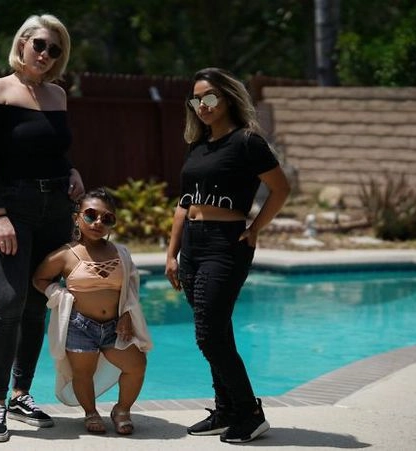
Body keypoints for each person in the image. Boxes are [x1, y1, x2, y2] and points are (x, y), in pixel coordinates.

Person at [0, 13, 85, 442]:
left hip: (55, 208)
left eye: (55, 49)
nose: (45, 54)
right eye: (40, 44)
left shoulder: (57, 95)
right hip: (11, 207)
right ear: (22, 43)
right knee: (8, 301)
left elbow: (52, 150)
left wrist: (71, 170)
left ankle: (21, 394)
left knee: (38, 301)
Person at [164, 67, 290, 444]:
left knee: (208, 335)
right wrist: (171, 254)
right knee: (216, 330)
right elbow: (184, 204)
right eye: (196, 99)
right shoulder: (198, 145)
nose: (202, 105)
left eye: (209, 97)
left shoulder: (247, 142)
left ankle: (249, 412)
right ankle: (226, 410)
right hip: (193, 244)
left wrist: (255, 228)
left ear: (228, 98)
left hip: (225, 244)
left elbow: (280, 189)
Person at [32, 188, 152, 435]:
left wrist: (127, 314)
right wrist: (59, 294)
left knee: (137, 365)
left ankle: (122, 410)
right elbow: (39, 278)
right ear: (77, 217)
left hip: (115, 326)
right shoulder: (65, 255)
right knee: (82, 374)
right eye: (90, 215)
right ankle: (90, 412)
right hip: (79, 325)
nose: (98, 222)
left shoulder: (121, 253)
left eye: (107, 218)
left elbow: (130, 288)